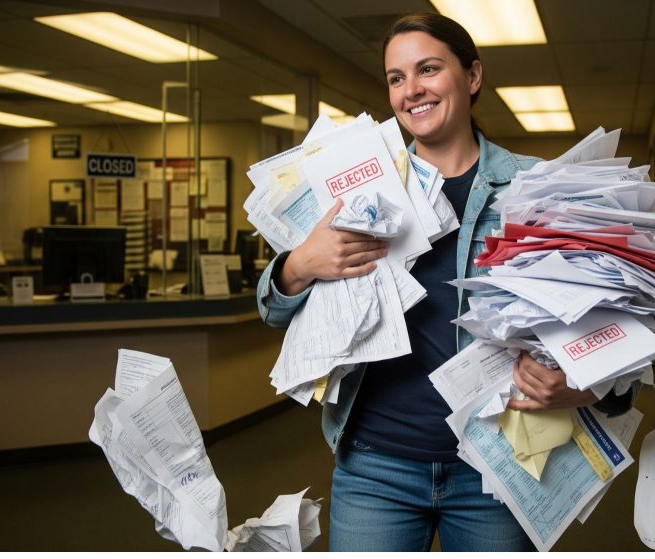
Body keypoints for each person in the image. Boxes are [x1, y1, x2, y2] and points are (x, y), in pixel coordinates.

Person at [256, 12, 634, 552]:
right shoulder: (356, 186)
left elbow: (618, 327)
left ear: (472, 76)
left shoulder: (539, 190)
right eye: (395, 77)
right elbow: (272, 311)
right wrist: (299, 265)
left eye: (428, 69)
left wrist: (585, 386)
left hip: (494, 468)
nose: (411, 90)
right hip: (375, 464)